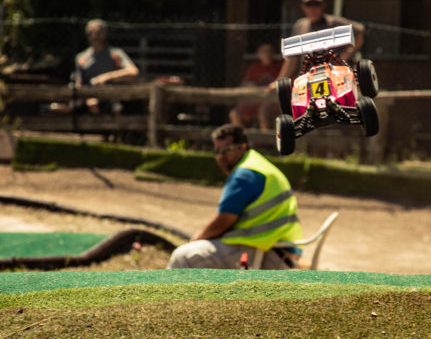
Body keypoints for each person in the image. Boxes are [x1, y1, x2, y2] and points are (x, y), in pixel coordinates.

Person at [168, 124, 303, 269]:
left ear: (242, 147)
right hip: (281, 252)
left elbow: (223, 221)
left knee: (182, 257)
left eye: (227, 150)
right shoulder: (258, 165)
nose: (221, 156)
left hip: (265, 254)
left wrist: (197, 238)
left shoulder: (245, 173)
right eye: (217, 151)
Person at [274, 0, 366, 83]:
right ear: (303, 7)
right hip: (308, 77)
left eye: (316, 4)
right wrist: (280, 80)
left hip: (334, 75)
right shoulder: (300, 25)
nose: (313, 9)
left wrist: (347, 52)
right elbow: (292, 58)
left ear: (323, 5)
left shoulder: (333, 22)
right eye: (309, 5)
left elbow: (359, 29)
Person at [73, 19, 139, 114]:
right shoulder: (81, 58)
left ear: (105, 34)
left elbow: (134, 71)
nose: (95, 36)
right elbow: (78, 83)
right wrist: (88, 98)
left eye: (98, 32)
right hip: (88, 98)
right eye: (91, 32)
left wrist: (106, 77)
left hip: (111, 97)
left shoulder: (115, 53)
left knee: (118, 108)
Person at [229, 43, 281, 131]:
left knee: (263, 112)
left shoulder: (279, 66)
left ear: (273, 53)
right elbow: (245, 84)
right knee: (234, 113)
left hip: (271, 100)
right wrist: (250, 85)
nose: (266, 54)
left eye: (269, 51)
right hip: (255, 98)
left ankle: (265, 142)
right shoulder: (255, 67)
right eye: (263, 51)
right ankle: (240, 142)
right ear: (258, 54)